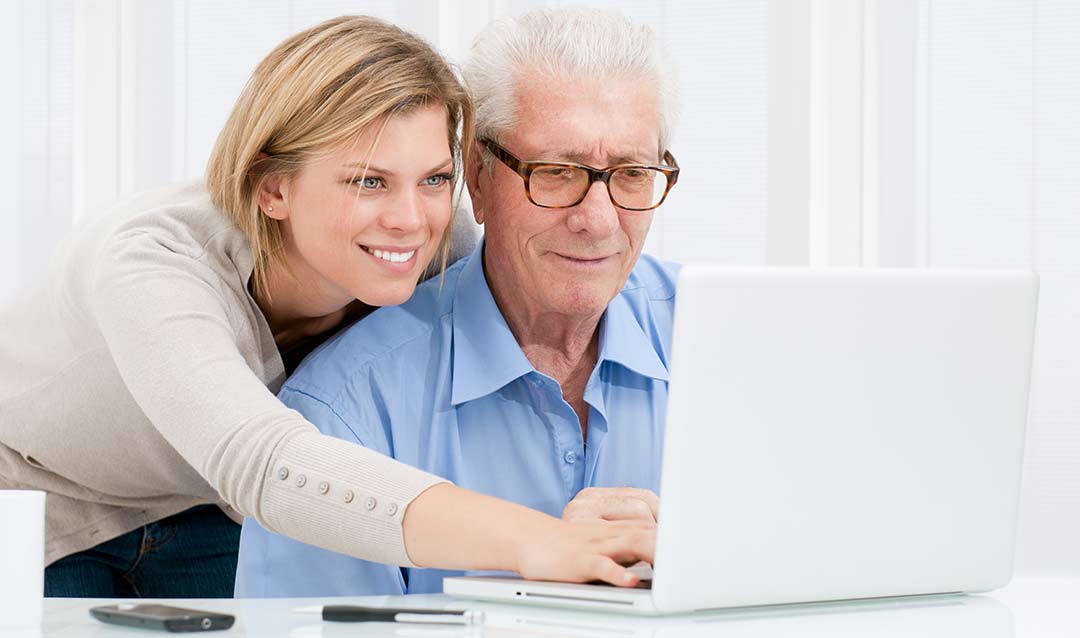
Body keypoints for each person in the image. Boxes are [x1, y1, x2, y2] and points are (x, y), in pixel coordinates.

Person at [0, 15, 655, 599]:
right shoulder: (154, 266)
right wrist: (539, 540)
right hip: (52, 506)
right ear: (273, 186)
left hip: (216, 508)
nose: (408, 219)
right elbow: (264, 460)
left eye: (432, 179)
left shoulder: (438, 242)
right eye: (368, 180)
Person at [235, 8, 681, 596]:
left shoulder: (732, 341)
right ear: (478, 175)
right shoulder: (343, 409)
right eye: (554, 173)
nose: (598, 222)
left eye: (631, 173)